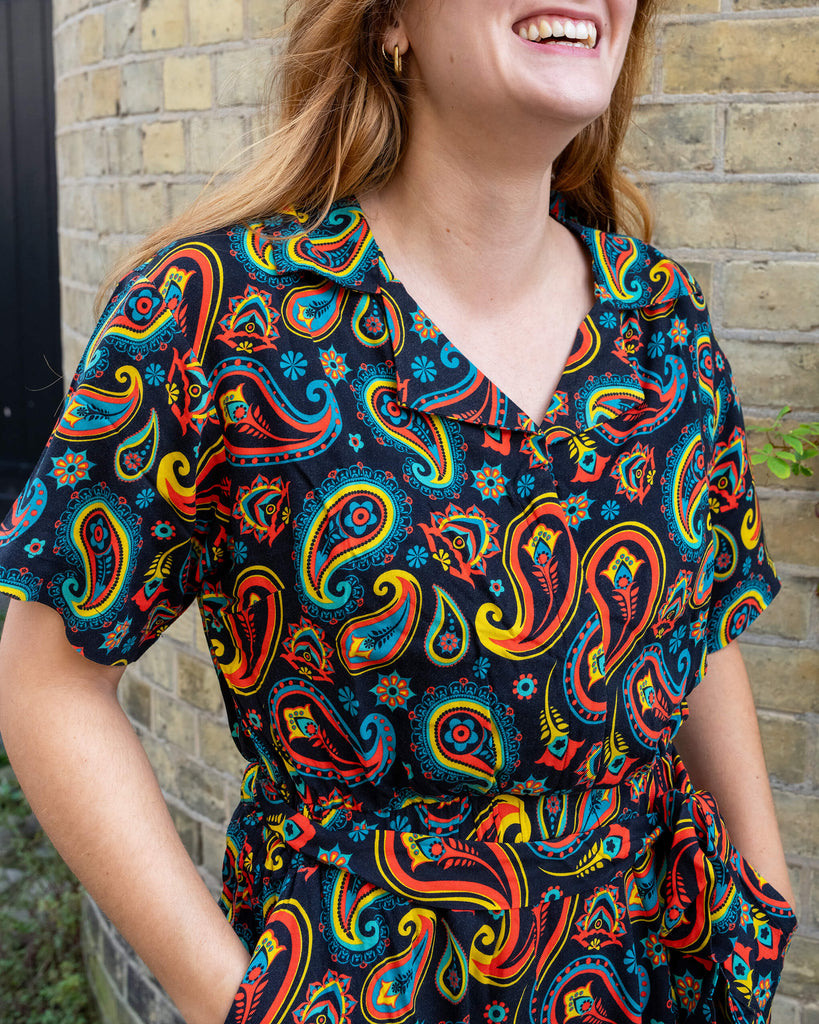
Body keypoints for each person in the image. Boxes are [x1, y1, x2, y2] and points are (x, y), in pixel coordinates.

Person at [0, 1, 798, 1022]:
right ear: (390, 23)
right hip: (360, 984)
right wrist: (231, 1002)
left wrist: (763, 893)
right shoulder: (220, 317)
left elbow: (701, 623)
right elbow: (48, 683)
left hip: (645, 976)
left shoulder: (661, 322)